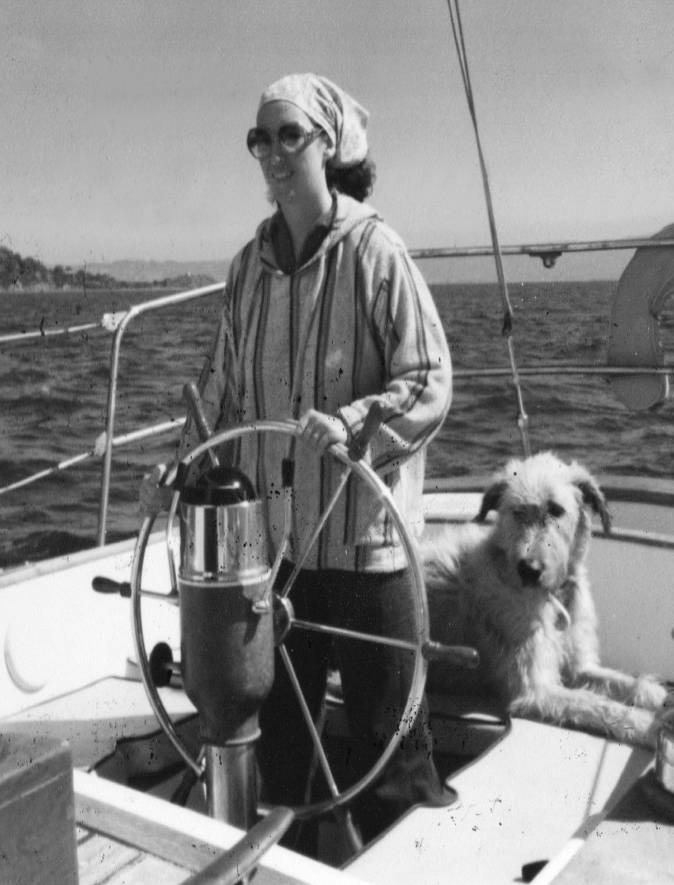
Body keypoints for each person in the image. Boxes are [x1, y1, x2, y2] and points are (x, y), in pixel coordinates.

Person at [158, 72, 454, 848]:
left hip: (366, 546)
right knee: (284, 750)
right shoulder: (246, 268)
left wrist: (357, 422)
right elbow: (222, 390)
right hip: (280, 549)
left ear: (329, 145)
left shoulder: (376, 252)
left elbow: (429, 379)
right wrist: (184, 467)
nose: (273, 154)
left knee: (392, 748)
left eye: (290, 135)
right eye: (262, 138)